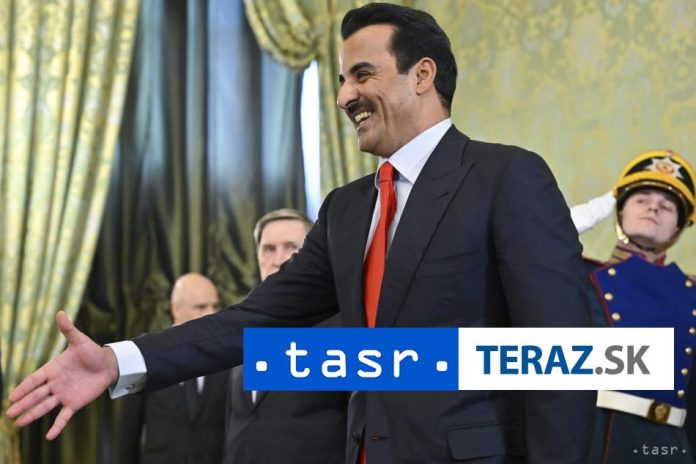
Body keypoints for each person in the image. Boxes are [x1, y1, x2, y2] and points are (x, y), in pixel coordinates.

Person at [8, 4, 595, 462]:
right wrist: (117, 361)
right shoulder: (345, 209)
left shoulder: (506, 177)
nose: (343, 97)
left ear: (422, 75)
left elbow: (560, 357)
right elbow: (253, 319)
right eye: (341, 80)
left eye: (362, 75)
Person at [576, 150, 696, 463]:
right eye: (642, 199)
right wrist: (553, 233)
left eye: (667, 206)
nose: (654, 207)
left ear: (678, 228)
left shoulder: (692, 293)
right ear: (619, 212)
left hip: (666, 447)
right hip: (589, 440)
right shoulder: (578, 276)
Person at [223, 209, 347, 464]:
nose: (278, 259)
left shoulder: (342, 325)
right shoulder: (240, 321)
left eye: (291, 247)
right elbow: (238, 418)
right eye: (268, 249)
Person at [118, 273, 228, 464]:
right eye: (201, 307)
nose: (212, 314)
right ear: (176, 309)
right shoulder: (145, 354)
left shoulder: (228, 356)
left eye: (215, 306)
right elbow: (128, 430)